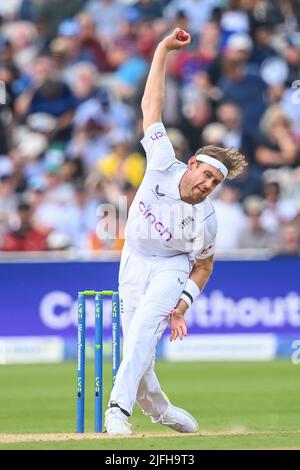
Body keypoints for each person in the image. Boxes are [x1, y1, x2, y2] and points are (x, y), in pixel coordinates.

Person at [104, 28, 247, 436]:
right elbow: (152, 106)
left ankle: (117, 411)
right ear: (192, 164)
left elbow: (203, 267)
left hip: (171, 268)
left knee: (144, 332)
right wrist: (163, 49)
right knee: (137, 345)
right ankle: (161, 410)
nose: (205, 185)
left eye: (214, 184)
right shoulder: (163, 160)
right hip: (133, 258)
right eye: (204, 174)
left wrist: (183, 304)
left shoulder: (206, 221)